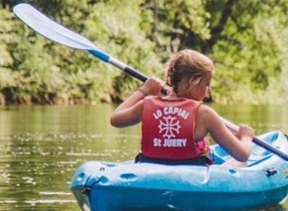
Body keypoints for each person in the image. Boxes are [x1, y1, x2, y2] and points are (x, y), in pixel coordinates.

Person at [109, 49, 255, 165]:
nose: (209, 90)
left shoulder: (147, 104)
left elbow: (115, 119)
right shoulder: (205, 114)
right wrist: (246, 137)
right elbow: (242, 154)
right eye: (207, 84)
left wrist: (144, 91)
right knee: (240, 164)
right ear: (193, 82)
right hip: (192, 181)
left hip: (151, 174)